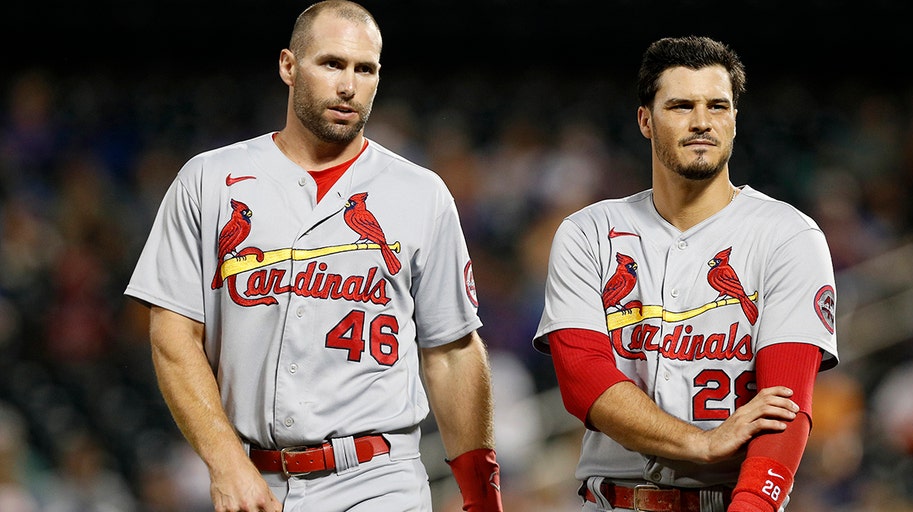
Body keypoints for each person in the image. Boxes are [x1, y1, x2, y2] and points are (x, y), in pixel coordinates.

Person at [124, 2, 502, 511]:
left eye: (364, 69)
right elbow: (172, 335)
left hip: (378, 477)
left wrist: (483, 496)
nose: (348, 85)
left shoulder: (421, 194)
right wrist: (225, 463)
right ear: (288, 66)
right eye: (331, 64)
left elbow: (452, 353)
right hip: (256, 476)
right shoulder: (209, 180)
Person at [532, 36, 839, 512]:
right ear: (645, 121)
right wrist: (701, 443)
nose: (701, 122)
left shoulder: (788, 236)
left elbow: (786, 410)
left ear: (735, 119)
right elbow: (583, 382)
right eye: (680, 106)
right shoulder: (588, 232)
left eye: (717, 106)